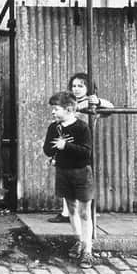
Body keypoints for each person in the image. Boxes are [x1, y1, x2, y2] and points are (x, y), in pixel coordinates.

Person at [48, 72, 114, 223]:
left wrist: (97, 101)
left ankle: (86, 212)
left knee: (84, 179)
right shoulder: (68, 103)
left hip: (83, 146)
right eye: (74, 86)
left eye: (81, 86)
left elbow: (110, 108)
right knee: (65, 177)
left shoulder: (91, 103)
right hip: (66, 145)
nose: (76, 89)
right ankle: (66, 213)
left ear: (89, 88)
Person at [43, 91, 95, 268]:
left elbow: (87, 152)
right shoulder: (53, 128)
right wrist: (54, 151)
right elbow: (47, 150)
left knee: (85, 212)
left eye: (56, 109)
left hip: (81, 173)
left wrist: (66, 145)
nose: (53, 112)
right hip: (63, 172)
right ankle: (79, 241)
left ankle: (88, 250)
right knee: (71, 210)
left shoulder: (82, 127)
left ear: (69, 109)